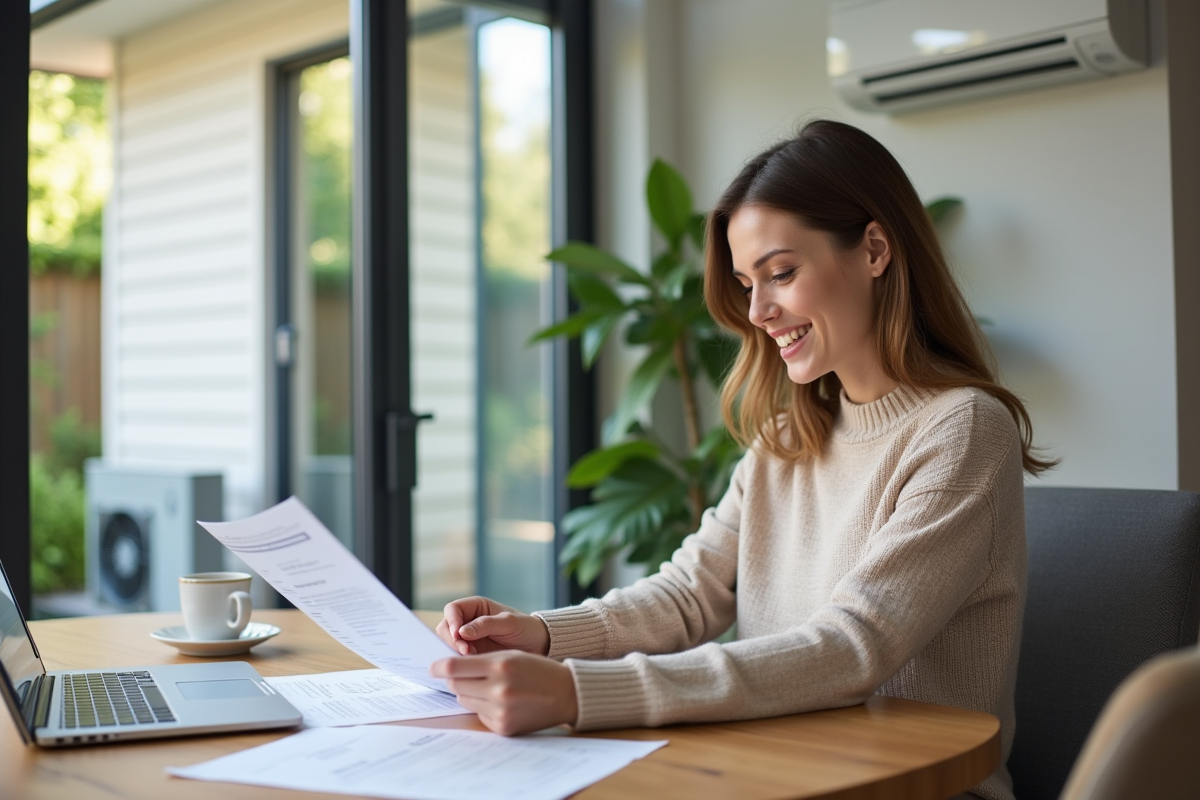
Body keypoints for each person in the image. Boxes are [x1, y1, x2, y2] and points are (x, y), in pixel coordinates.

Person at [430, 119, 1055, 800]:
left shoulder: (962, 431)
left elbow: (852, 648)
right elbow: (688, 596)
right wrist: (540, 635)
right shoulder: (790, 435)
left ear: (875, 249)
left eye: (780, 273)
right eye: (745, 283)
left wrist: (580, 692)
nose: (757, 310)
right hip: (779, 771)